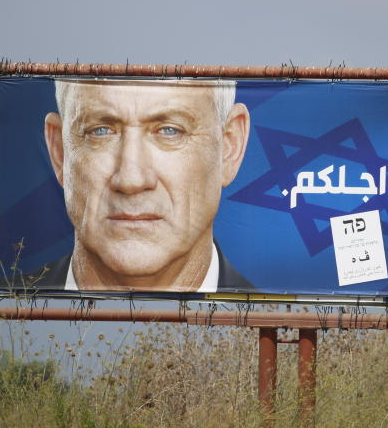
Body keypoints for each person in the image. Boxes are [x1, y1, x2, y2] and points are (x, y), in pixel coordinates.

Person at [35, 78, 253, 292]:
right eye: (99, 131)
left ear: (229, 147)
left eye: (170, 130)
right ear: (59, 152)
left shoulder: (273, 322)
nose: (131, 180)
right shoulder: (5, 315)